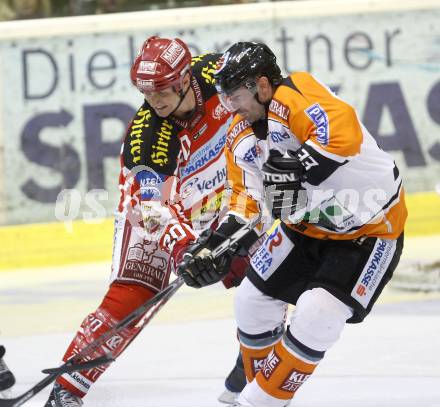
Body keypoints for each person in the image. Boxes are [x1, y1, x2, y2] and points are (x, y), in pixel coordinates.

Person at [179, 42, 407, 407]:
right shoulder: (239, 137)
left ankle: (258, 401)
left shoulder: (295, 92)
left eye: (235, 95)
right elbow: (246, 203)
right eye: (224, 98)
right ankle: (265, 389)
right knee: (250, 302)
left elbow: (343, 134)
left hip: (368, 234)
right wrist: (217, 246)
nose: (230, 108)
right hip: (303, 230)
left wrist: (300, 166)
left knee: (319, 314)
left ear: (263, 86)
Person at [44, 36, 252, 407]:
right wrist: (187, 248)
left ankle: (254, 358)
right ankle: (68, 388)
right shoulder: (148, 136)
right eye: (145, 92)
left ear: (184, 78)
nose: (153, 101)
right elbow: (154, 209)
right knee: (136, 290)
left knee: (259, 267)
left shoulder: (219, 73)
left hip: (216, 188)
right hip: (153, 206)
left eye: (161, 90)